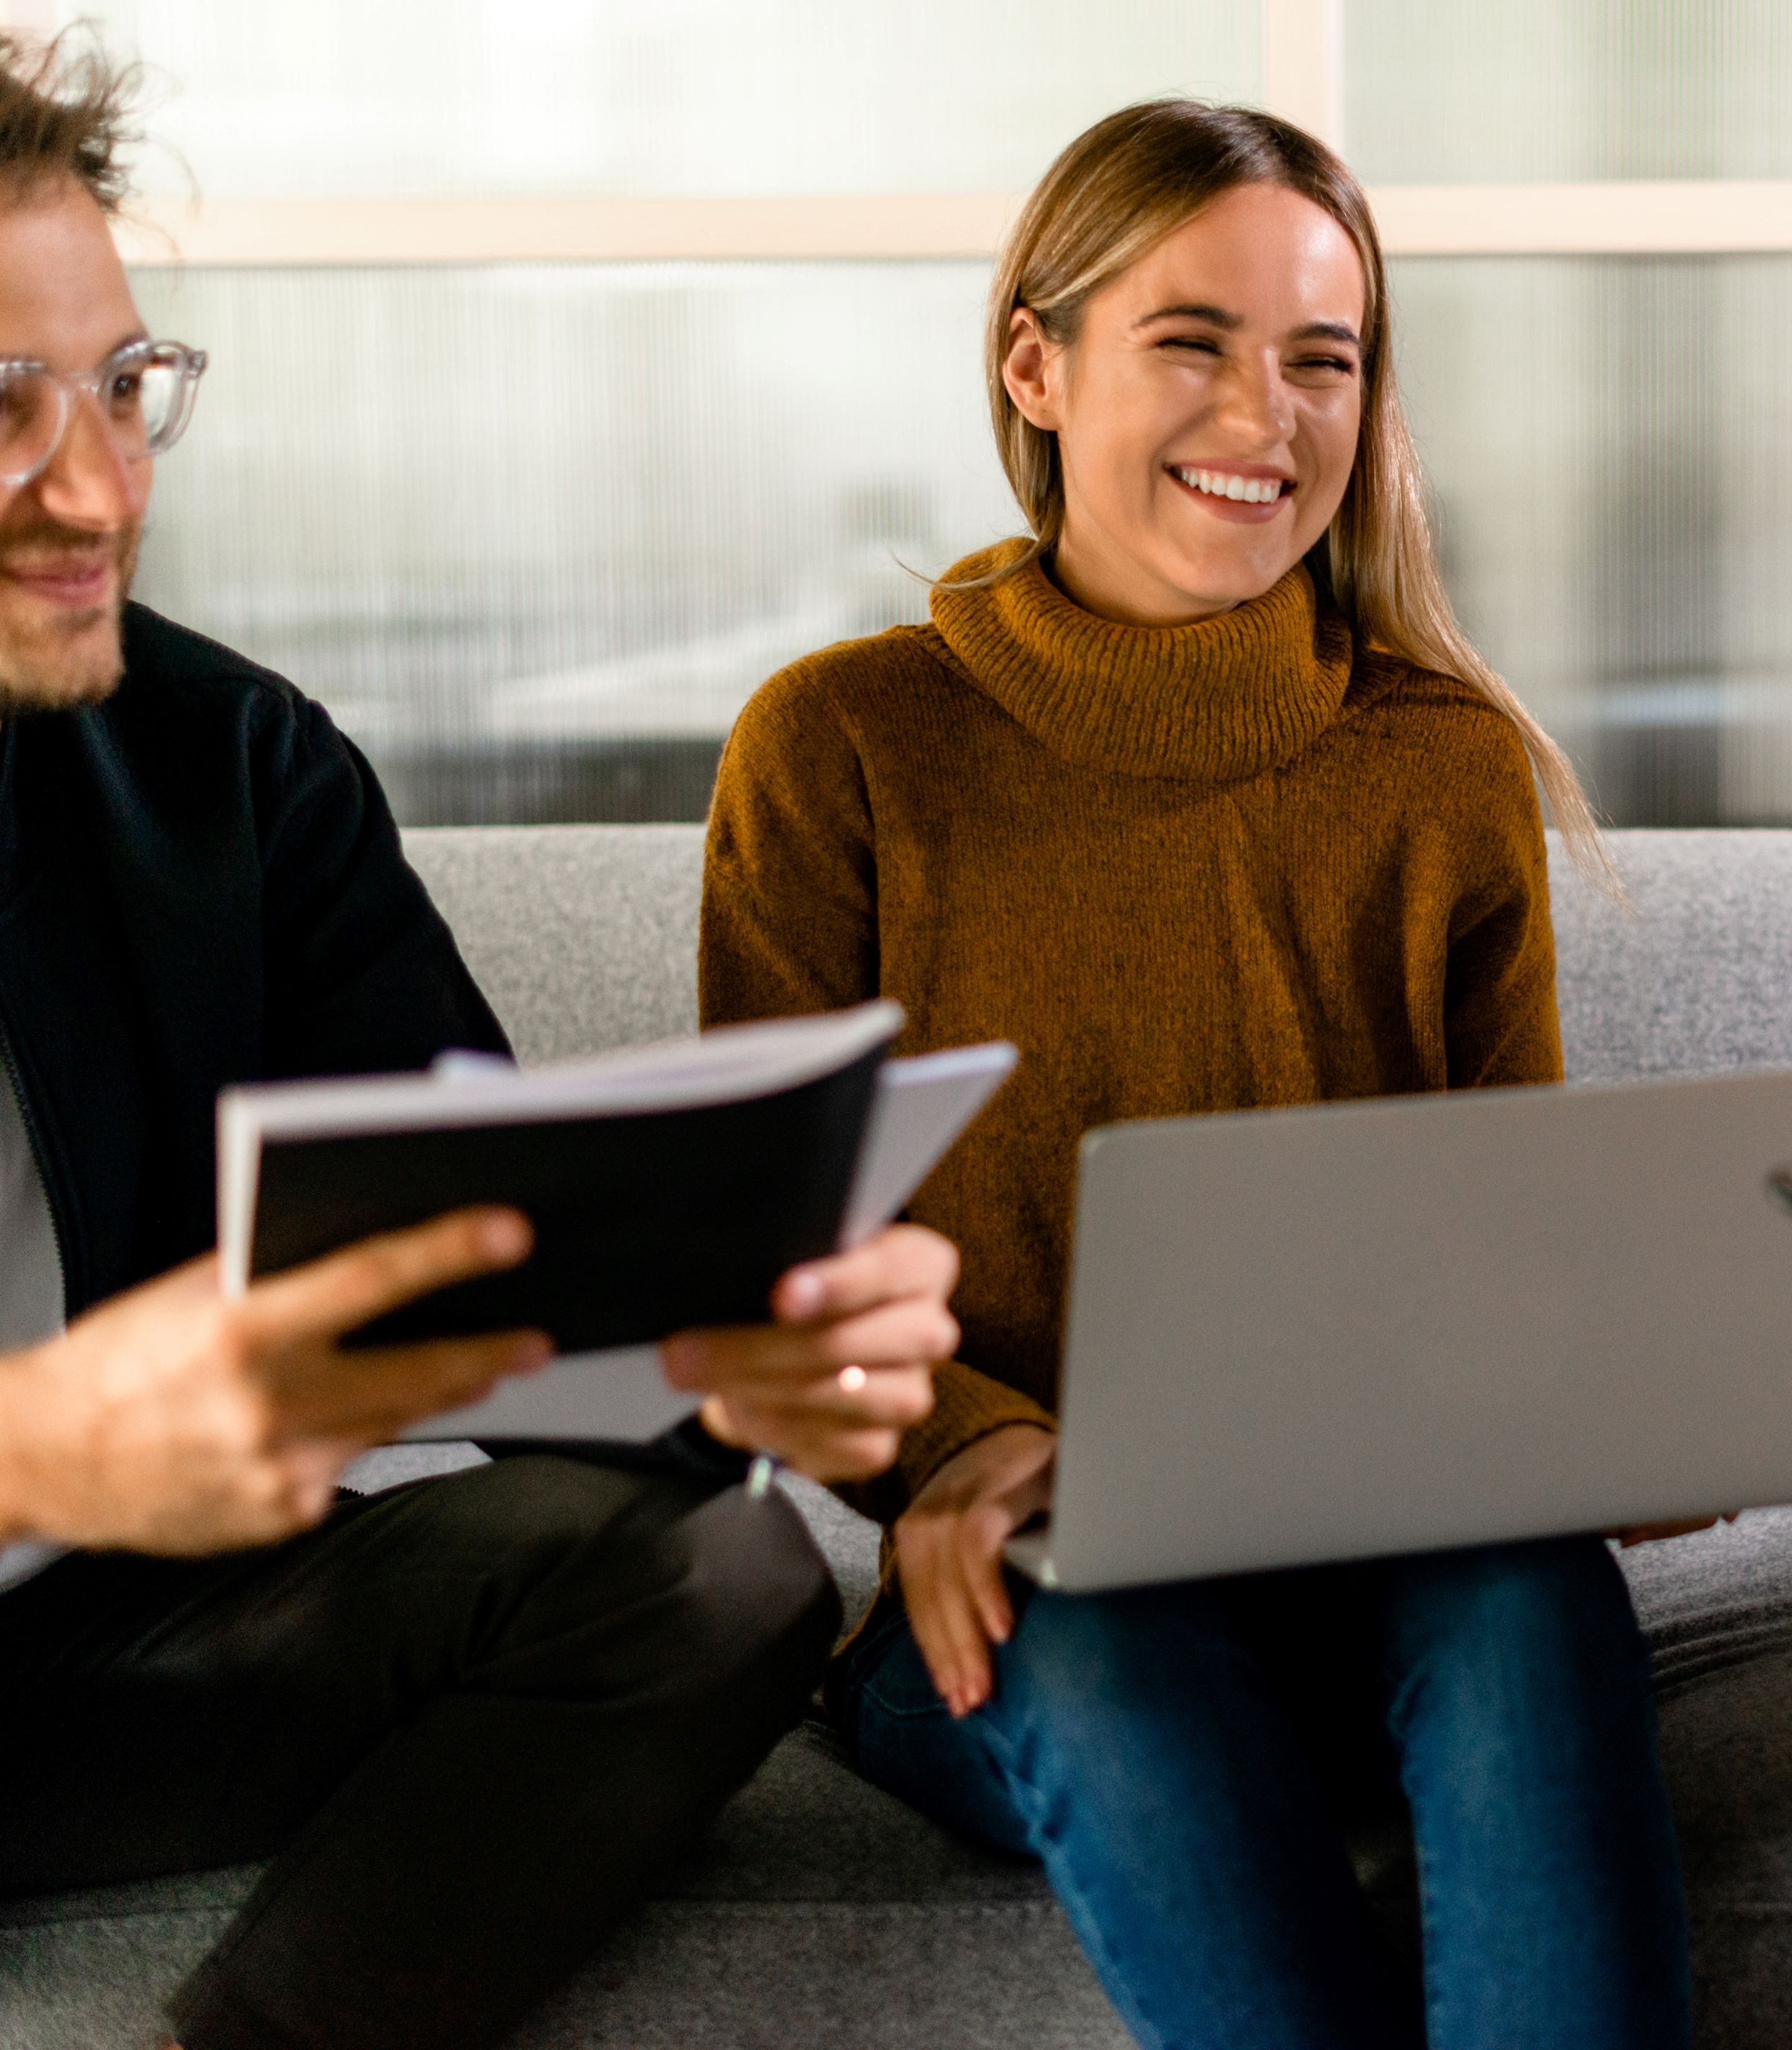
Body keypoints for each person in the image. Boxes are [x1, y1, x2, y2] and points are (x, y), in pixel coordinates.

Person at [0, 24, 965, 2050]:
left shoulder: (227, 766)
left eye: (124, 386)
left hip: (118, 1643)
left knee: (707, 1566)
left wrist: (736, 1357)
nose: (99, 485)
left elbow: (498, 1240)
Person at [701, 100, 1691, 2049]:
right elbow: (776, 1261)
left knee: (1529, 1581)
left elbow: (1506, 1245)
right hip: (1036, 1590)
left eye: (1323, 360)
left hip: (1386, 1561)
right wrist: (967, 1444)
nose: (1269, 414)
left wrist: (1605, 1407)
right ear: (1033, 363)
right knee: (1099, 1617)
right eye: (1194, 343)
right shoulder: (840, 750)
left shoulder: (1442, 766)